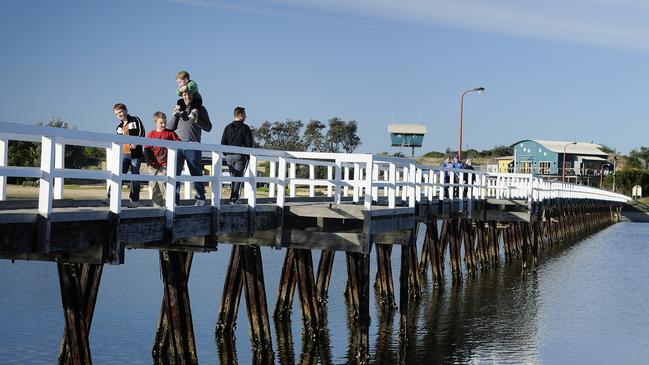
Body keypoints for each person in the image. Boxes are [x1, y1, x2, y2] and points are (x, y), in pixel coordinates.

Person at [168, 90, 212, 206]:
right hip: (177, 145)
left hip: (193, 144)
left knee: (196, 172)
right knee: (175, 173)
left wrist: (197, 120)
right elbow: (170, 128)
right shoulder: (178, 107)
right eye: (184, 95)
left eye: (189, 94)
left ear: (193, 94)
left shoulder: (200, 109)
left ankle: (201, 198)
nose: (187, 97)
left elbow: (208, 127)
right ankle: (174, 200)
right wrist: (175, 115)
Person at [144, 112, 180, 207]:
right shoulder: (151, 134)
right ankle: (157, 205)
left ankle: (169, 202)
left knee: (163, 182)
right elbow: (146, 149)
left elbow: (179, 143)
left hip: (165, 163)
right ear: (155, 123)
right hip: (153, 164)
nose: (163, 124)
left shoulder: (170, 133)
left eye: (165, 122)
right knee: (154, 184)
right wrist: (148, 162)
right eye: (161, 123)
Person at [113, 103, 146, 207]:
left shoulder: (135, 119)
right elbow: (118, 139)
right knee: (119, 174)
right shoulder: (119, 126)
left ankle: (134, 200)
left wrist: (136, 143)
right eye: (117, 113)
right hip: (124, 154)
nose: (119, 114)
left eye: (121, 112)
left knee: (135, 177)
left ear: (126, 110)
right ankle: (112, 197)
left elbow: (142, 132)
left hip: (135, 154)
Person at [220, 106, 253, 204]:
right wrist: (247, 156)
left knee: (233, 178)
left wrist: (227, 155)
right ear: (240, 115)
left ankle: (234, 197)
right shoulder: (245, 128)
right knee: (238, 178)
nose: (246, 117)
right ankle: (234, 199)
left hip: (229, 157)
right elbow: (249, 144)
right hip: (239, 156)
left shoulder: (227, 127)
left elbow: (222, 143)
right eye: (245, 115)